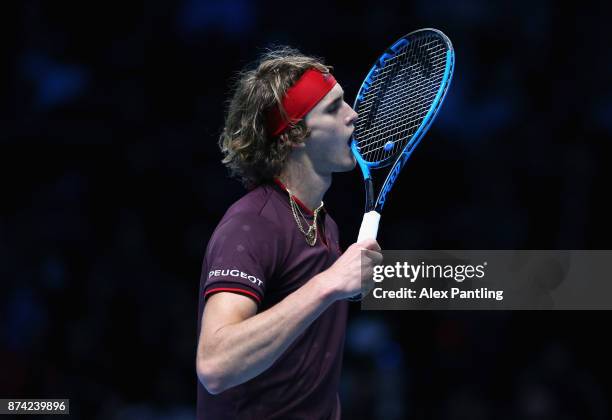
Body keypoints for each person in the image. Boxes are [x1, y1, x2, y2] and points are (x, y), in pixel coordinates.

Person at [196, 46, 382, 419]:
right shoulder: (251, 226)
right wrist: (329, 284)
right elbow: (215, 365)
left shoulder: (322, 223)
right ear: (294, 135)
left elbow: (309, 371)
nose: (354, 116)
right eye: (334, 108)